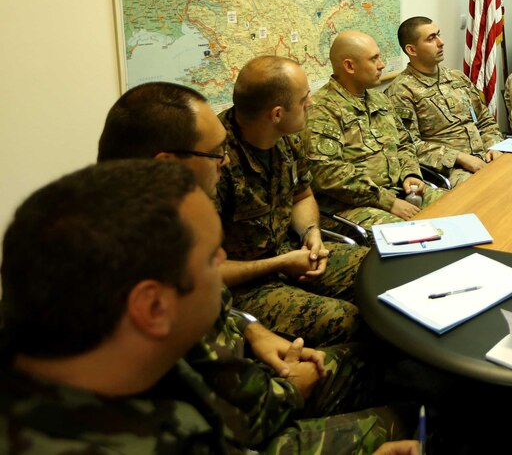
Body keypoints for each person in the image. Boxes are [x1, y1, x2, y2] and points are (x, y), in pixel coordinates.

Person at [0, 160, 418, 455]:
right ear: (154, 307)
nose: (223, 264)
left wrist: (253, 333)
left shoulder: (110, 354)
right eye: (210, 257)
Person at [97, 82, 383, 444]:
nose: (227, 159)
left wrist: (251, 331)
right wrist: (295, 384)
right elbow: (245, 417)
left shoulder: (120, 218)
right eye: (216, 153)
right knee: (405, 396)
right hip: (234, 428)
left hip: (242, 383)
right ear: (167, 166)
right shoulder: (158, 264)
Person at [217, 55, 367, 345]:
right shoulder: (215, 161)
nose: (311, 103)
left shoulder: (289, 136)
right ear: (276, 114)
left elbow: (302, 196)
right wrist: (280, 263)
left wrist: (311, 233)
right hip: (244, 288)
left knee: (380, 272)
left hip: (292, 254)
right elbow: (203, 274)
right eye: (304, 99)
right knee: (350, 319)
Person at [305, 31, 444, 227]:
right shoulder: (322, 110)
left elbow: (404, 143)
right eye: (374, 59)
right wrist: (389, 202)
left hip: (399, 190)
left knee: (457, 206)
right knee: (412, 234)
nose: (382, 65)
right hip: (351, 206)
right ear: (349, 66)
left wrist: (411, 175)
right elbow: (329, 174)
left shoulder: (378, 98)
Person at [385, 16, 504, 188]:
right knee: (491, 191)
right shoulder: (401, 91)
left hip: (486, 155)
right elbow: (409, 146)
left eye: (438, 35)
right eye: (431, 39)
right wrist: (458, 157)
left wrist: (494, 147)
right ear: (412, 50)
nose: (441, 42)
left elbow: (485, 121)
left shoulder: (457, 77)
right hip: (451, 170)